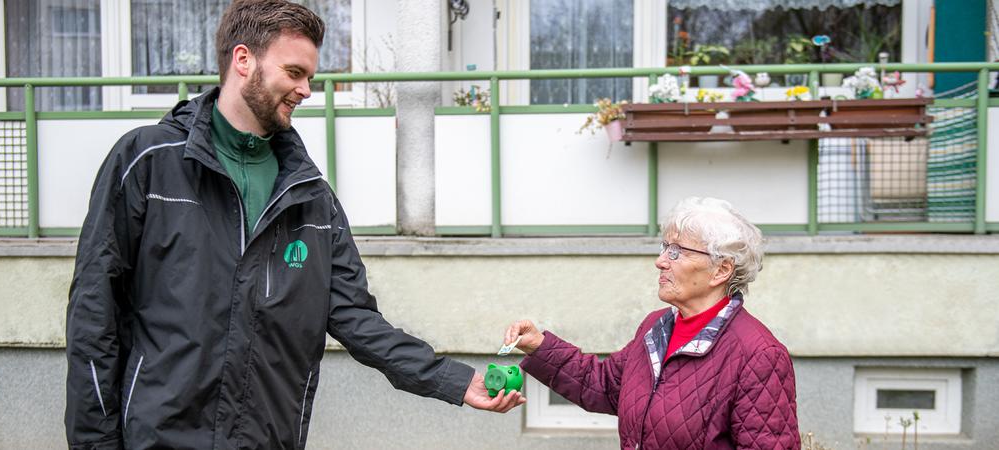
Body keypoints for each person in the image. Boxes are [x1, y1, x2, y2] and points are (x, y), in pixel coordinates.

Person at [64, 1, 522, 448]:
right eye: (295, 73)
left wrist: (455, 381)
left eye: (310, 77)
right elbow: (94, 313)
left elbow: (355, 317)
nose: (306, 90)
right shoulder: (147, 161)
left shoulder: (310, 196)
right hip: (158, 436)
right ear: (244, 60)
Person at [503, 197, 799, 449]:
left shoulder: (759, 355)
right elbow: (605, 385)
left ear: (721, 270)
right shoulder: (655, 327)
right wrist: (540, 347)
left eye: (677, 251)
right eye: (664, 247)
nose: (660, 261)